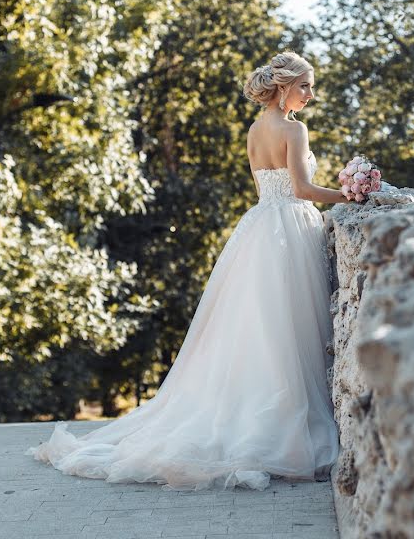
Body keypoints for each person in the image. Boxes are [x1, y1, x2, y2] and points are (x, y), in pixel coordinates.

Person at [25, 51, 358, 492]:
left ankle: (263, 413)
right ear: (283, 87)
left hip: (260, 228)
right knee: (287, 331)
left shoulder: (255, 130)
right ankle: (281, 426)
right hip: (290, 229)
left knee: (262, 332)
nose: (310, 95)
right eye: (305, 87)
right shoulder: (294, 129)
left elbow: (266, 186)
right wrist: (350, 194)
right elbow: (301, 189)